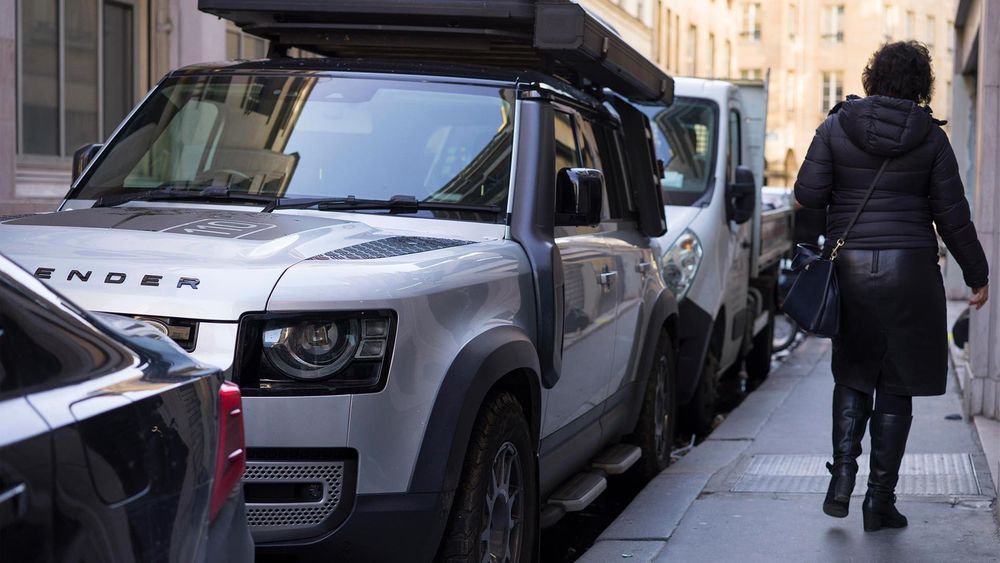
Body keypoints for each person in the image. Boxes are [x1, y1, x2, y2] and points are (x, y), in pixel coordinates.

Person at [794, 41, 990, 532]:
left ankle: (841, 478)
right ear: (921, 83)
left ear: (871, 77)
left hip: (851, 267)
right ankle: (878, 502)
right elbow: (953, 215)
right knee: (895, 383)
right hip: (911, 272)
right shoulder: (931, 138)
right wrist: (977, 274)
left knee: (854, 371)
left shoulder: (837, 125)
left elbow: (807, 194)